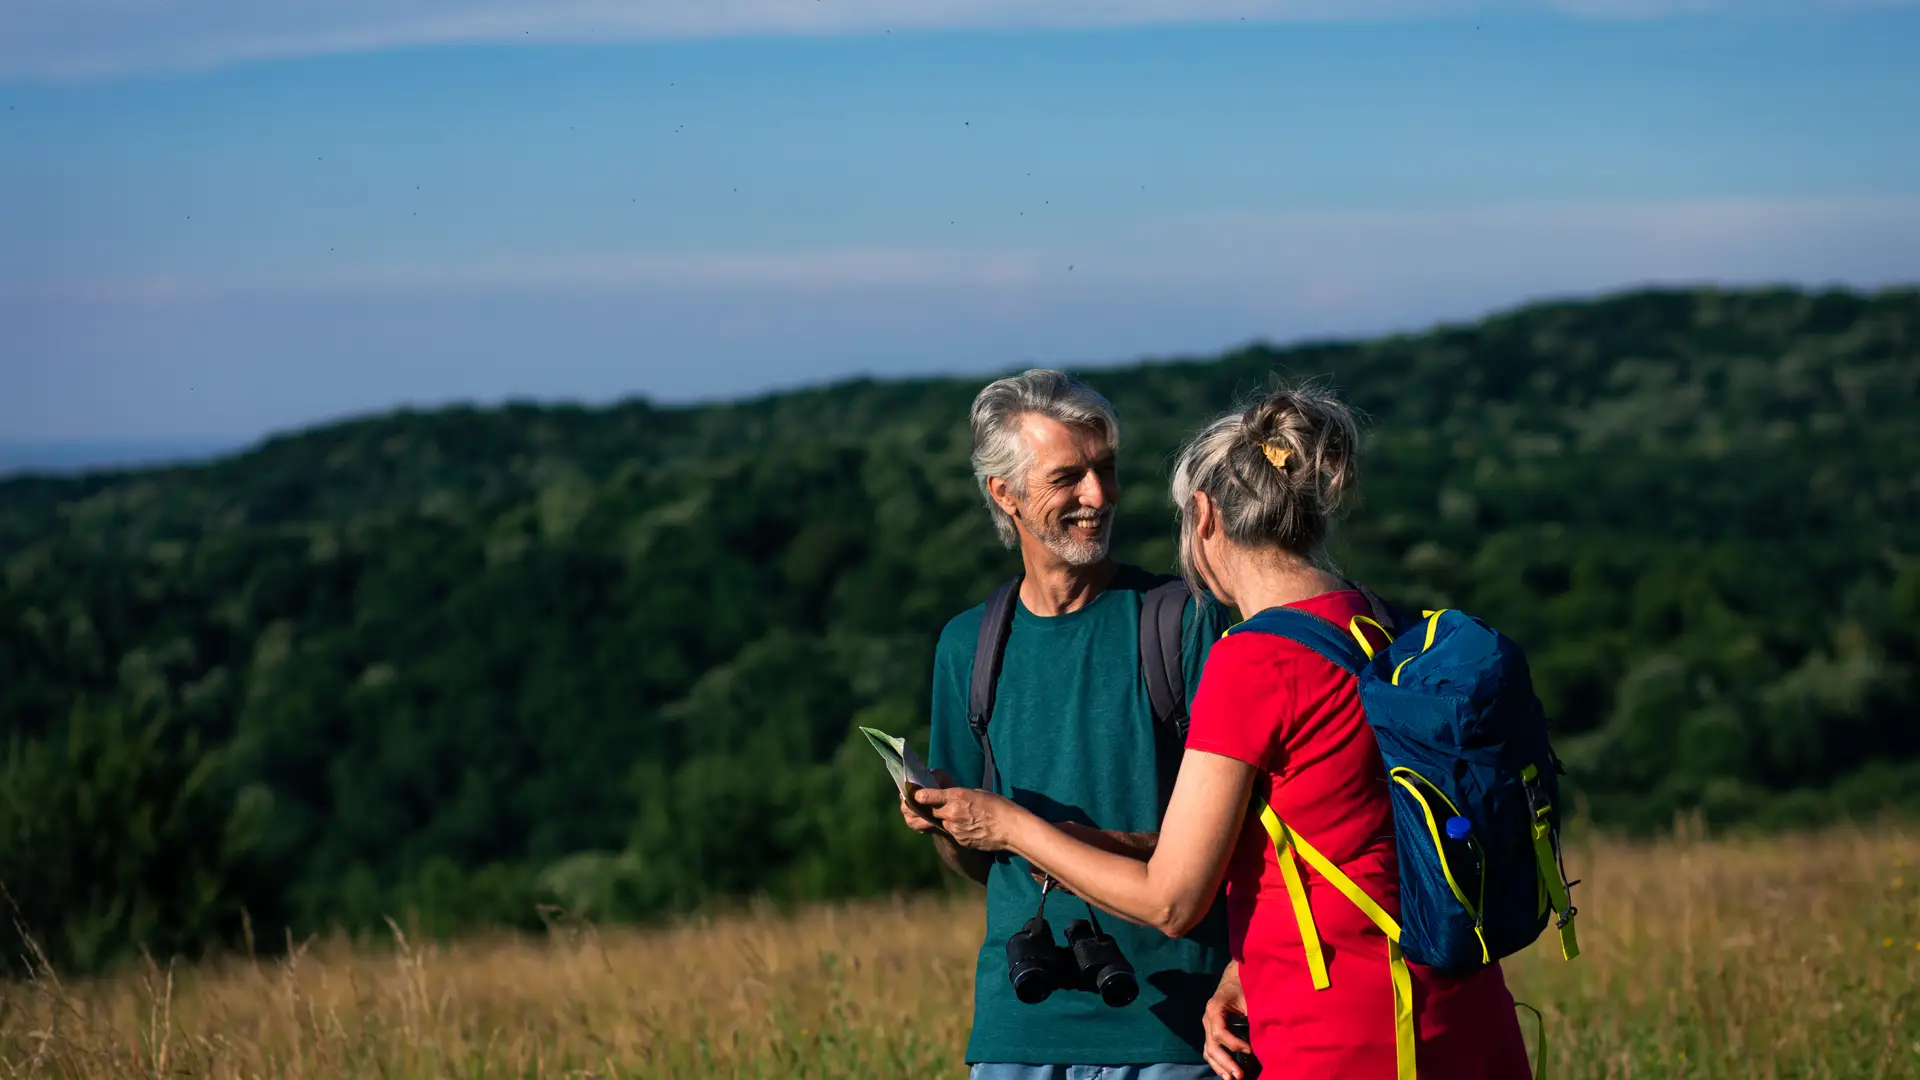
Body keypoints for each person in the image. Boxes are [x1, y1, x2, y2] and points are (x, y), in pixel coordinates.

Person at [916, 383, 1535, 1080]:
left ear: (1206, 516)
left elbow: (1172, 900)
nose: (1100, 494)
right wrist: (1244, 965)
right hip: (1456, 1015)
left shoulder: (1251, 659)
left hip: (1338, 1031)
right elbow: (1338, 835)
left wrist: (1006, 825)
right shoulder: (1375, 624)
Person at [899, 369, 1236, 1080]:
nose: (1099, 496)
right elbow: (980, 866)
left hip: (1175, 1028)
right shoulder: (969, 645)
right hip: (1018, 1025)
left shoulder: (1184, 622)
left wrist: (1032, 832)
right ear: (1004, 494)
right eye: (1068, 477)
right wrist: (946, 826)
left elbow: (1237, 843)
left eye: (1106, 469)